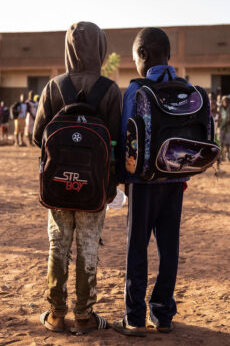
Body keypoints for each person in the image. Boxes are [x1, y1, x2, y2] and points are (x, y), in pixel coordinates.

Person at [33, 21, 121, 335]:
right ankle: (84, 316)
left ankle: (56, 314)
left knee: (58, 246)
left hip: (57, 185)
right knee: (87, 246)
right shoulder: (109, 89)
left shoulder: (54, 86)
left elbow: (36, 136)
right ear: (100, 47)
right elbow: (117, 144)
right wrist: (114, 185)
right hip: (95, 187)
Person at [114, 27, 187, 337]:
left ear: (142, 55)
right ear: (167, 56)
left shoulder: (136, 89)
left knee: (137, 249)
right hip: (175, 179)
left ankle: (134, 316)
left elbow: (125, 136)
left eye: (134, 59)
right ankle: (163, 313)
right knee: (169, 248)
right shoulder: (185, 87)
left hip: (143, 183)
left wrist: (122, 179)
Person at [218, 96, 230, 161]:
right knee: (221, 143)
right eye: (225, 101)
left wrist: (226, 124)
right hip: (221, 128)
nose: (226, 103)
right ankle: (221, 156)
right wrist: (220, 124)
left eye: (228, 101)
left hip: (228, 128)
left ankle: (228, 156)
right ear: (222, 102)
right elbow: (218, 117)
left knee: (228, 143)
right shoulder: (220, 108)